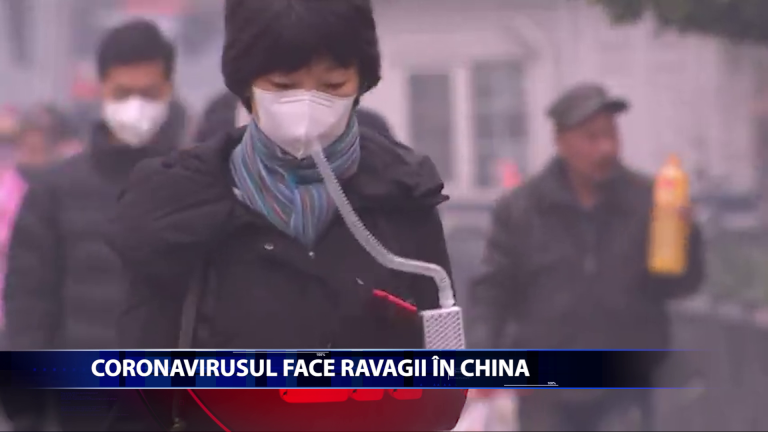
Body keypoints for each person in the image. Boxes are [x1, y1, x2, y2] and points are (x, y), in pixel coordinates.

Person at [108, 1, 464, 430]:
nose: (307, 107)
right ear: (246, 85)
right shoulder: (178, 212)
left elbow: (438, 389)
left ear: (362, 82)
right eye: (282, 85)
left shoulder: (403, 199)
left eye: (332, 85)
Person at [470, 83, 705, 431]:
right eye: (592, 137)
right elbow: (493, 290)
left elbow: (677, 285)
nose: (605, 148)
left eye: (611, 135)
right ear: (562, 141)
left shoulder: (647, 202)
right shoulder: (523, 209)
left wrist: (686, 238)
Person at [2, 19, 183, 431]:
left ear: (169, 90)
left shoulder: (196, 188)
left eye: (148, 93)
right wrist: (28, 413)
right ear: (102, 89)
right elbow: (29, 311)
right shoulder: (54, 193)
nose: (136, 106)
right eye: (123, 93)